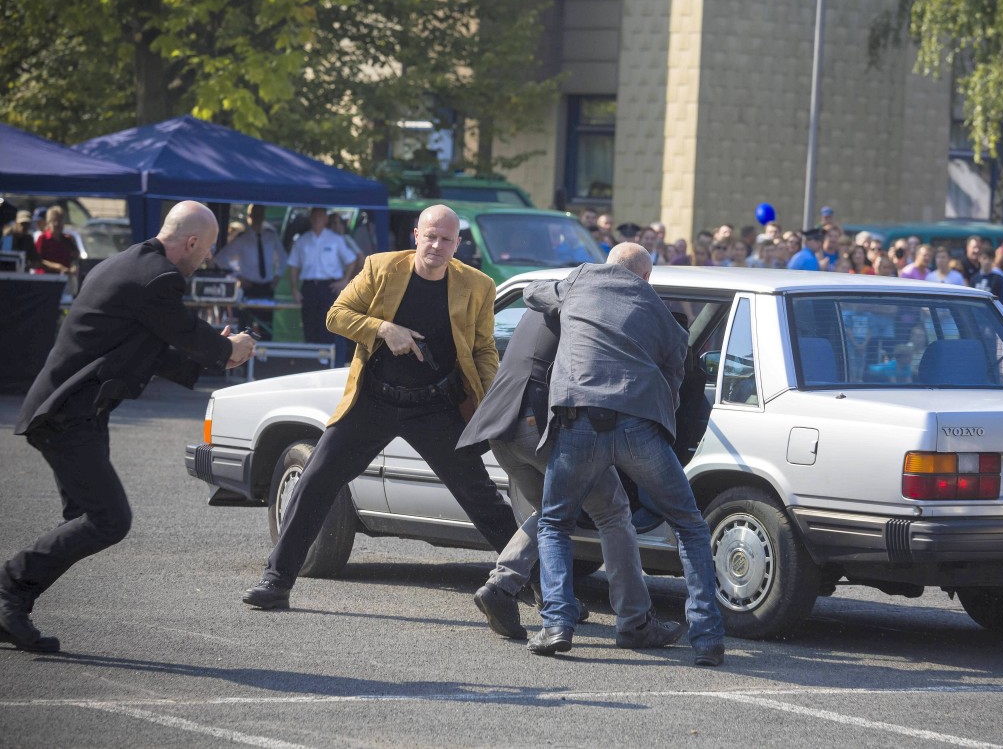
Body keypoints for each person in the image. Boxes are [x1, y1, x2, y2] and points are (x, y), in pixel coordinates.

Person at [0, 202, 255, 652]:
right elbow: (184, 331)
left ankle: (11, 604)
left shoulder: (131, 262)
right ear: (192, 243)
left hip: (74, 411)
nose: (208, 258)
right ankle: (8, 591)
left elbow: (156, 345)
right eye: (209, 248)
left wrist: (210, 357)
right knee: (108, 519)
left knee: (85, 519)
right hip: (68, 415)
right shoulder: (160, 278)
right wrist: (230, 349)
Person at [241, 205, 518, 609]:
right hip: (373, 399)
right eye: (431, 236)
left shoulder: (477, 285)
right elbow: (336, 315)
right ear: (415, 236)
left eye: (446, 239)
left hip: (436, 406)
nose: (437, 246)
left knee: (481, 497)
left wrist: (493, 403)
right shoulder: (381, 268)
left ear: (458, 244)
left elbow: (483, 349)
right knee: (316, 480)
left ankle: (552, 594)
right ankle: (276, 581)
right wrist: (384, 329)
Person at [522, 243, 727, 666]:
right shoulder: (663, 316)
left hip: (578, 421)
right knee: (689, 525)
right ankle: (707, 637)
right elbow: (675, 381)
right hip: (639, 429)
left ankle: (558, 624)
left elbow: (532, 293)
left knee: (556, 522)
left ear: (608, 265)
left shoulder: (581, 280)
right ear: (646, 278)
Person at [458, 310, 683, 649]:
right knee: (613, 511)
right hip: (541, 426)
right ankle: (635, 621)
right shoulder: (598, 314)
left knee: (552, 513)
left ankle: (502, 585)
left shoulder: (549, 303)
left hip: (501, 426)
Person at [288, 207, 358, 360]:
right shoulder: (302, 240)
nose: (317, 219)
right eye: (314, 216)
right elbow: (293, 265)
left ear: (326, 219)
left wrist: (345, 280)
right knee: (309, 325)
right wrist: (294, 289)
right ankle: (311, 362)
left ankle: (327, 361)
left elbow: (352, 260)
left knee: (328, 326)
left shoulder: (335, 239)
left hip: (329, 287)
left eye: (320, 216)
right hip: (309, 286)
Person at [215, 204, 288, 339]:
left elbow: (283, 258)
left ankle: (264, 356)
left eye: (260, 215)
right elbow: (221, 259)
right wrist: (238, 276)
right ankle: (244, 358)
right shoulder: (242, 238)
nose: (258, 218)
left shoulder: (271, 236)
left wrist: (278, 277)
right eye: (255, 215)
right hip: (249, 287)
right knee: (246, 329)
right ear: (249, 217)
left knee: (266, 328)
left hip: (267, 286)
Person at [32, 204, 76, 277]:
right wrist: (57, 267)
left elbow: (74, 257)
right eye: (54, 221)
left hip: (64, 280)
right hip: (44, 279)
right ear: (49, 222)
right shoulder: (42, 239)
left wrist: (74, 266)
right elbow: (36, 261)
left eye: (60, 220)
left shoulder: (68, 240)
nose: (57, 224)